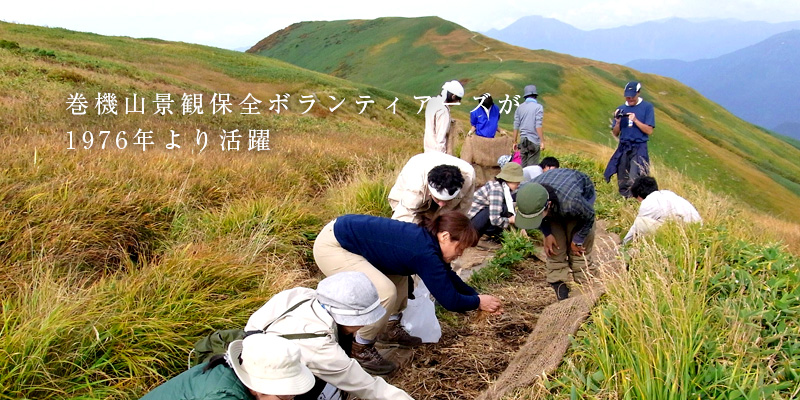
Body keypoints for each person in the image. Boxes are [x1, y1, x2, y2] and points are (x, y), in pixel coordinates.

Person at [313, 211, 504, 374]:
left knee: (400, 280)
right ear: (445, 236)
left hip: (350, 238)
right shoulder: (425, 252)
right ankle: (361, 347)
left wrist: (476, 296)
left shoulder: (429, 243)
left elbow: (447, 276)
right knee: (385, 292)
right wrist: (478, 302)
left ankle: (389, 329)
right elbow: (450, 301)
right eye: (459, 248)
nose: (459, 254)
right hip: (334, 246)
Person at [246, 272, 415, 400]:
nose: (364, 324)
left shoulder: (302, 295)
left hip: (252, 357)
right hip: (272, 383)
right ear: (346, 317)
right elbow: (368, 386)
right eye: (362, 319)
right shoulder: (321, 348)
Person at [140, 334, 315, 400]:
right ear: (258, 388)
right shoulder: (223, 395)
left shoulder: (228, 373)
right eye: (284, 397)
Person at [516, 168, 596, 301]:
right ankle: (562, 298)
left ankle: (587, 296)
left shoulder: (573, 202)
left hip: (579, 203)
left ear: (548, 205)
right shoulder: (525, 194)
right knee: (554, 251)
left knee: (578, 254)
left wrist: (578, 240)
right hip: (551, 200)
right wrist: (547, 233)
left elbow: (589, 216)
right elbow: (538, 215)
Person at [388, 152, 475, 224]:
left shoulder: (468, 177)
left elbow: (463, 209)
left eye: (446, 200)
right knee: (412, 224)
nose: (441, 204)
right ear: (430, 191)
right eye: (438, 199)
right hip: (417, 170)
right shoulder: (416, 184)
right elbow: (404, 215)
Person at [604, 81, 656, 198]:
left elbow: (649, 130)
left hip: (639, 146)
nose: (630, 98)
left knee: (635, 176)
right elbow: (615, 133)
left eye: (632, 96)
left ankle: (636, 200)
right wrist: (617, 122)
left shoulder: (647, 107)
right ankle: (624, 200)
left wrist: (636, 120)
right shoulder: (621, 109)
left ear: (638, 93)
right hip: (624, 146)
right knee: (622, 176)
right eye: (627, 96)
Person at [623, 176, 702, 243]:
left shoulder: (648, 202)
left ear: (639, 196)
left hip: (681, 233)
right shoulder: (668, 193)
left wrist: (624, 243)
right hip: (697, 231)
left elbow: (636, 227)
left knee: (640, 222)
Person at [467, 162, 524, 241]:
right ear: (508, 179)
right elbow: (495, 220)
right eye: (517, 181)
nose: (518, 183)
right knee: (501, 209)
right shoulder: (497, 190)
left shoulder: (503, 188)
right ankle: (484, 236)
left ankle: (490, 235)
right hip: (470, 224)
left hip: (475, 220)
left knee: (504, 208)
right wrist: (510, 220)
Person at [424, 80, 464, 154]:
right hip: (437, 153)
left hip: (428, 149)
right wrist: (442, 157)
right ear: (453, 96)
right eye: (457, 100)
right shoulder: (443, 111)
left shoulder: (432, 101)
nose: (456, 103)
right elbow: (440, 138)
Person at [513, 84, 545, 167]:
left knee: (523, 167)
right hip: (533, 140)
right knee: (532, 168)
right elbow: (538, 125)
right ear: (535, 96)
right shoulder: (538, 107)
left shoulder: (519, 108)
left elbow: (516, 125)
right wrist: (542, 141)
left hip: (523, 140)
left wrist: (515, 141)